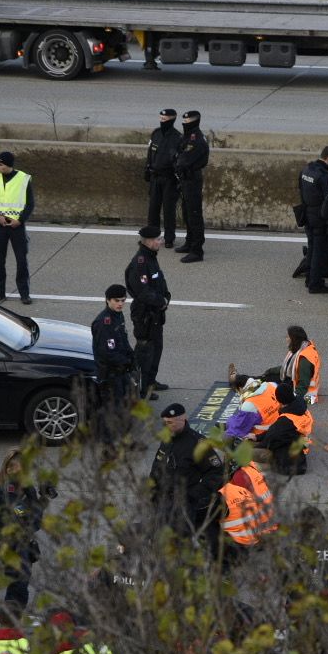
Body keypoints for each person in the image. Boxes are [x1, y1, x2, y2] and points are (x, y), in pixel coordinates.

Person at [149, 402, 225, 537]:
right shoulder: (167, 439)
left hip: (183, 504)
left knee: (180, 540)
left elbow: (216, 473)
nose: (166, 426)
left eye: (170, 423)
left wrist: (192, 495)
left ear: (182, 419)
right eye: (165, 423)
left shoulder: (197, 443)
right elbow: (157, 465)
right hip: (162, 499)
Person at [0, 449, 55, 606]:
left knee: (21, 586)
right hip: (13, 547)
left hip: (24, 544)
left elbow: (36, 520)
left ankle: (13, 619)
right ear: (10, 470)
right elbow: (29, 522)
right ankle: (10, 620)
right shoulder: (7, 493)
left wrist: (44, 497)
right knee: (18, 588)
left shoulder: (27, 489)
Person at [126, 226, 171, 399]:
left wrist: (166, 296)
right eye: (158, 239)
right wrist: (161, 302)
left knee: (156, 349)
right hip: (145, 315)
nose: (160, 242)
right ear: (149, 241)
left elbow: (159, 280)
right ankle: (141, 389)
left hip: (156, 314)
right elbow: (143, 291)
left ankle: (151, 381)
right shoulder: (140, 262)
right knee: (144, 351)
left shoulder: (151, 258)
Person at [0, 150, 35, 305]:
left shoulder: (23, 179)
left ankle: (24, 294)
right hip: (0, 225)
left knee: (21, 261)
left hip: (16, 226)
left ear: (8, 166)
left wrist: (19, 220)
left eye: (0, 165)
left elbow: (30, 204)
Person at [91, 284, 136, 422]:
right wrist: (126, 361)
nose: (120, 304)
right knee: (111, 409)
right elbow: (107, 353)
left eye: (123, 300)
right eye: (116, 300)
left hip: (120, 371)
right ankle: (108, 441)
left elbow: (122, 339)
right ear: (108, 300)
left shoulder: (118, 315)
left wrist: (132, 357)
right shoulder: (104, 323)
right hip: (110, 374)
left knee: (124, 404)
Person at [296, 145, 328, 292]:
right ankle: (315, 284)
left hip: (307, 214)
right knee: (319, 250)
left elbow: (300, 190)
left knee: (312, 247)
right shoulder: (324, 176)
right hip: (319, 216)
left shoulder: (306, 170)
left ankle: (309, 278)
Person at [254, 384, 313, 476]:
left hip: (287, 462)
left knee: (249, 453)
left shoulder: (286, 421)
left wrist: (256, 439)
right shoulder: (300, 404)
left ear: (280, 400)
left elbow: (269, 440)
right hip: (301, 446)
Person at [144, 107, 182, 249]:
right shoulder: (156, 134)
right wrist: (147, 169)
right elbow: (150, 153)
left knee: (169, 210)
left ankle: (169, 238)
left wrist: (179, 179)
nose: (162, 121)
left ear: (172, 120)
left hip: (169, 179)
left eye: (164, 120)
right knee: (153, 209)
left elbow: (179, 160)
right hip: (155, 177)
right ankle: (151, 237)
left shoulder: (177, 138)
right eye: (160, 119)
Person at [174, 109, 209, 262]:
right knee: (187, 213)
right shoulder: (187, 137)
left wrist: (179, 163)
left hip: (192, 179)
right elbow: (177, 153)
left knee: (194, 215)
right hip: (185, 180)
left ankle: (197, 250)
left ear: (195, 122)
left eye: (187, 122)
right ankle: (189, 242)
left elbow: (184, 159)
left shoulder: (197, 140)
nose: (184, 124)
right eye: (184, 122)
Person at [281, 325, 321, 405]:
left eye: (288, 337)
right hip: (298, 385)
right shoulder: (300, 349)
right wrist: (269, 372)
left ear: (294, 339)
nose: (286, 339)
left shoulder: (304, 359)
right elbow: (288, 367)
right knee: (269, 377)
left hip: (309, 397)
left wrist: (292, 400)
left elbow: (303, 385)